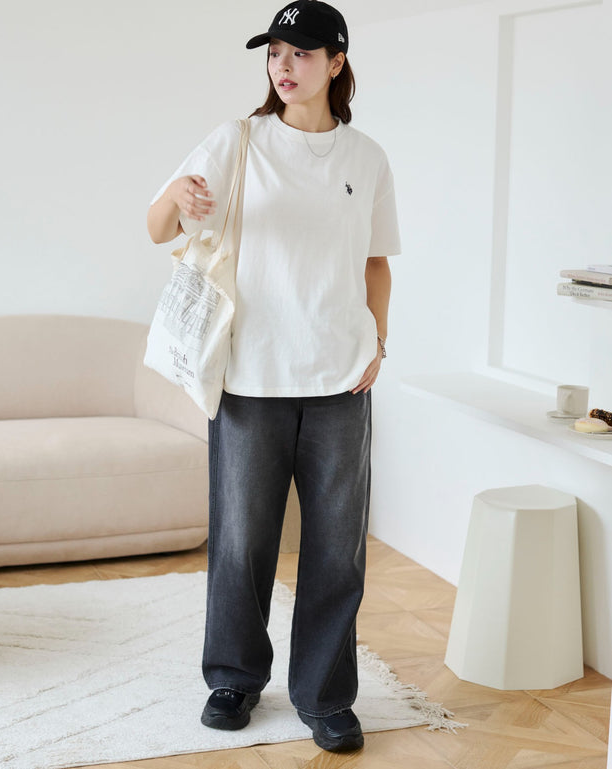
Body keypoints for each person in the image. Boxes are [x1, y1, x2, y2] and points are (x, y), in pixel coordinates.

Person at [147, 0, 400, 753]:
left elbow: (376, 262)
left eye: (300, 53)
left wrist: (379, 342)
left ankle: (325, 696)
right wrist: (178, 199)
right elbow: (157, 227)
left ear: (336, 62)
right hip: (251, 378)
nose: (282, 66)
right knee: (241, 541)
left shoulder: (367, 158)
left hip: (340, 381)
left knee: (336, 549)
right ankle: (233, 678)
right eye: (274, 53)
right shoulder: (238, 140)